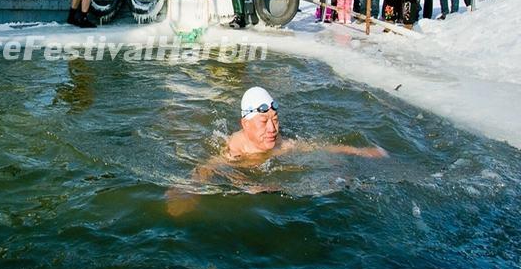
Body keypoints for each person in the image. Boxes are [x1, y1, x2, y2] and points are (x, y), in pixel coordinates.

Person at [164, 87, 388, 215]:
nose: (272, 129)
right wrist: (186, 191)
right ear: (245, 124)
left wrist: (359, 151)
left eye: (275, 120)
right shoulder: (235, 149)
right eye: (263, 122)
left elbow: (320, 146)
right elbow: (206, 168)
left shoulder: (283, 144)